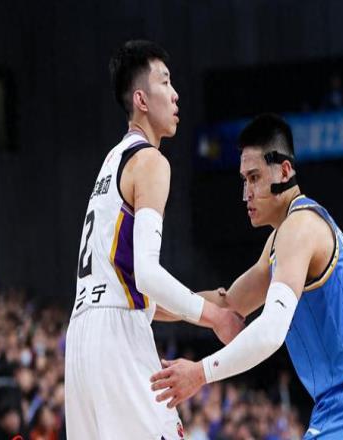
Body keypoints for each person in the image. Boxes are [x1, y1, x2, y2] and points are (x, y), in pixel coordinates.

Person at [151, 114, 343, 439]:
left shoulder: (299, 228)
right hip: (342, 399)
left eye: (254, 178)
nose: (246, 193)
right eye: (244, 180)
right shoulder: (281, 239)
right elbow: (227, 305)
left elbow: (271, 331)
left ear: (284, 171)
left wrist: (200, 373)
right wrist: (142, 306)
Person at [64, 40, 244, 440]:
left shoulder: (110, 162)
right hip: (117, 338)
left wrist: (200, 303)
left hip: (80, 340)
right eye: (165, 82)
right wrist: (214, 317)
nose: (176, 94)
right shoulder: (150, 161)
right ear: (141, 100)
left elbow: (130, 288)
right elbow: (146, 275)